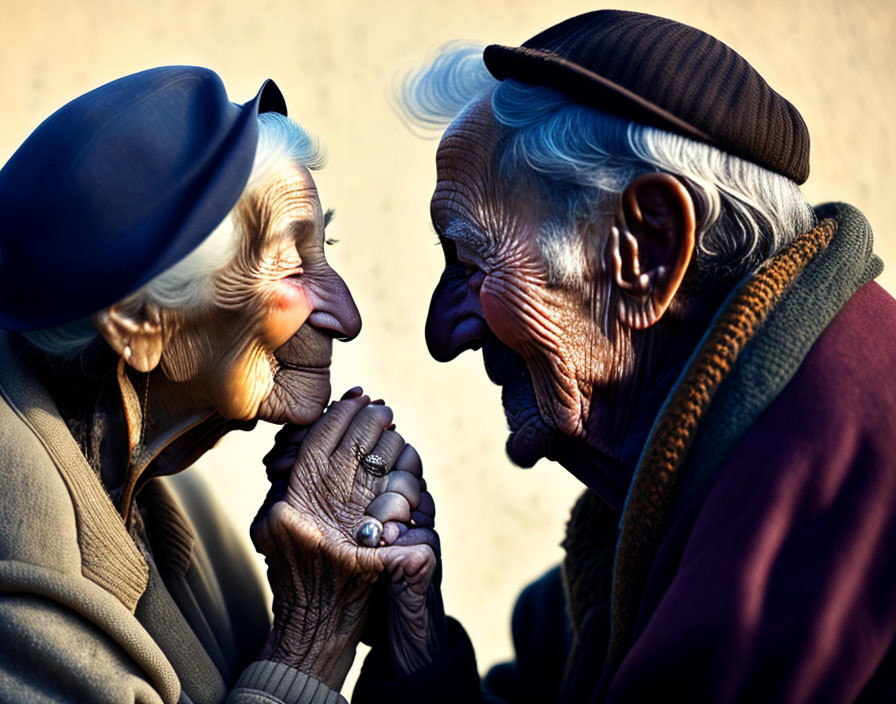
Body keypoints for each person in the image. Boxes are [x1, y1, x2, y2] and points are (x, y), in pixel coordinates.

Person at [349, 10, 896, 703]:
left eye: (469, 258)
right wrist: (417, 640)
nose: (445, 331)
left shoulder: (804, 533)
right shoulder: (671, 504)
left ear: (645, 250)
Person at [0, 66, 434, 704]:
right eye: (289, 259)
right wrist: (310, 643)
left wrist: (405, 637)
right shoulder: (19, 554)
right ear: (142, 323)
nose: (346, 316)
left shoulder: (177, 512)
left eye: (326, 246)